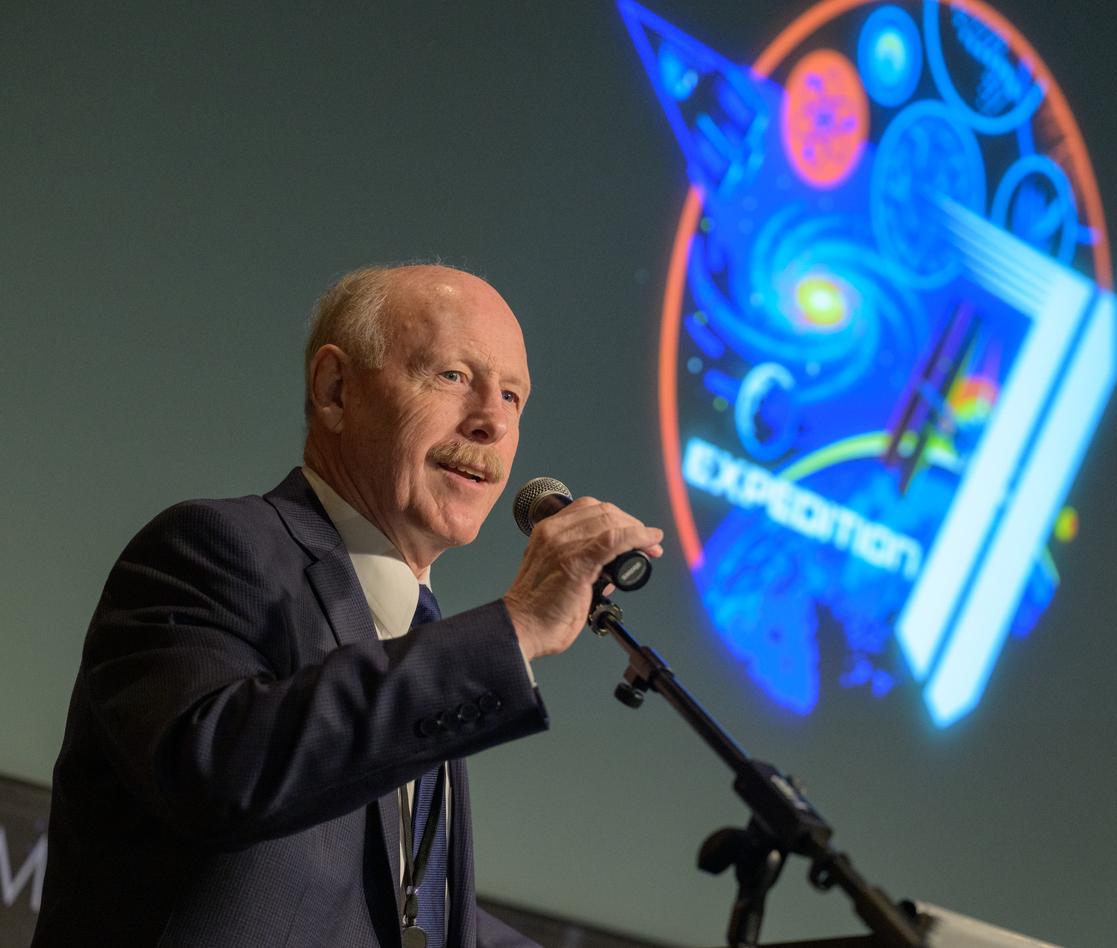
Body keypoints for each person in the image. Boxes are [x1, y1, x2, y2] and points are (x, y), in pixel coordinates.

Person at [33, 263, 664, 947]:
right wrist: (516, 627)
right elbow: (218, 772)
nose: (493, 422)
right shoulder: (210, 549)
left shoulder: (422, 635)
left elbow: (398, 910)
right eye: (453, 375)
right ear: (335, 389)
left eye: (513, 396)